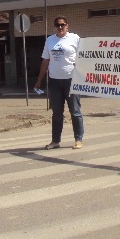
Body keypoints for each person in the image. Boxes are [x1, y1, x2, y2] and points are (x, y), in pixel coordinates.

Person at [34, 15, 84, 150]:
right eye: (57, 25)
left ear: (67, 26)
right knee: (56, 113)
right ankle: (55, 141)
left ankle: (78, 139)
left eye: (62, 25)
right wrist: (40, 80)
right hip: (55, 82)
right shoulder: (50, 40)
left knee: (75, 111)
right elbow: (45, 60)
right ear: (54, 27)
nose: (60, 27)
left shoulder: (75, 38)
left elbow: (84, 57)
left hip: (71, 80)